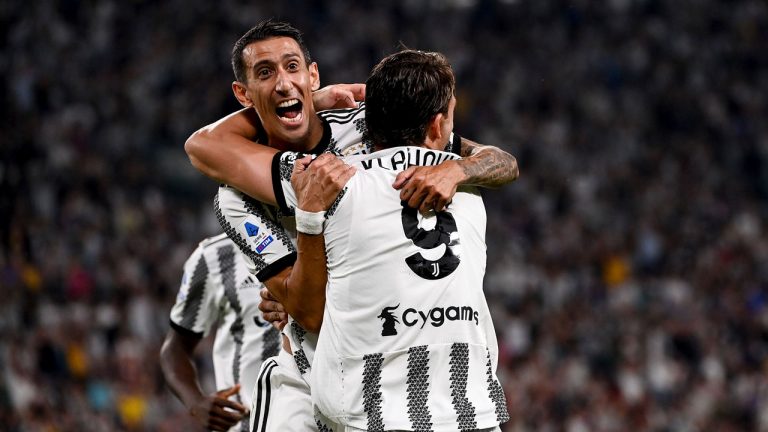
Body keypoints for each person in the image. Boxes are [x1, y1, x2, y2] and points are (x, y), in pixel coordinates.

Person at [185, 20, 518, 431]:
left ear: (313, 73)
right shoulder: (238, 196)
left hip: (384, 362)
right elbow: (308, 311)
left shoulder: (364, 124)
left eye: (293, 68)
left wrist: (458, 172)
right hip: (308, 366)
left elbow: (498, 160)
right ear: (243, 94)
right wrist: (317, 100)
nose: (284, 84)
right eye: (265, 74)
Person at [277, 49, 511, 431]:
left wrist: (309, 103)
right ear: (437, 127)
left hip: (368, 416)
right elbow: (504, 163)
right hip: (474, 414)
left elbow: (214, 151)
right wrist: (460, 169)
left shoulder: (326, 182)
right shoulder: (471, 187)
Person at [160, 234, 280, 432]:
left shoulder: (326, 237)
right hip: (246, 424)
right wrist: (195, 402)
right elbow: (175, 348)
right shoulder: (213, 256)